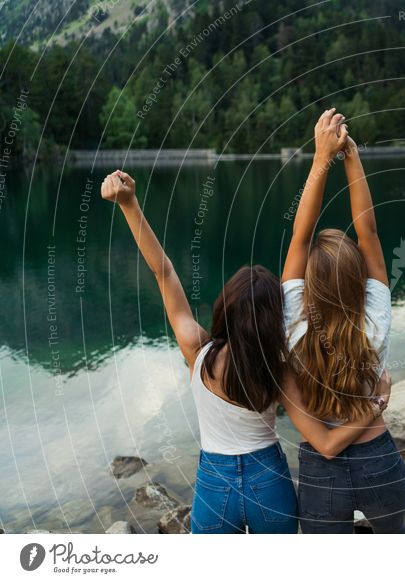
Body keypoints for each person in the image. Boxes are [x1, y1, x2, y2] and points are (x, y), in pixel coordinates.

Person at [101, 167, 389, 534]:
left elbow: (164, 273)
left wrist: (129, 204)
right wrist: (376, 403)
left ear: (224, 309)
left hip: (214, 486)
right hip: (269, 483)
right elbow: (326, 441)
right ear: (276, 321)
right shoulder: (281, 368)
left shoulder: (198, 352)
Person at [282, 108, 405, 534]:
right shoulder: (375, 316)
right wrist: (351, 156)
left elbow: (301, 236)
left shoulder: (294, 322)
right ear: (360, 279)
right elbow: (367, 232)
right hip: (379, 459)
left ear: (307, 285)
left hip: (323, 470)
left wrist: (321, 159)